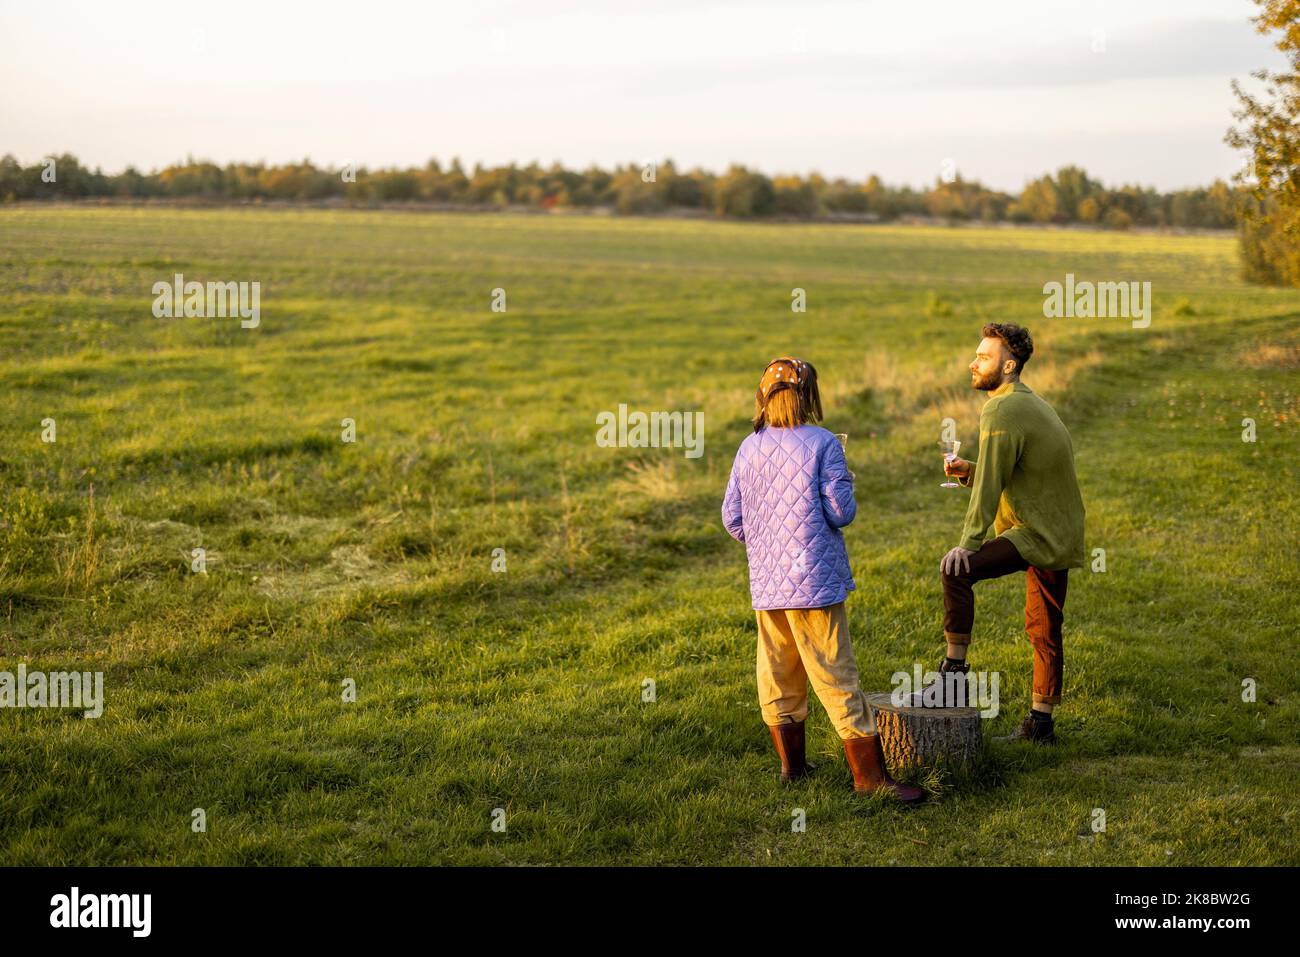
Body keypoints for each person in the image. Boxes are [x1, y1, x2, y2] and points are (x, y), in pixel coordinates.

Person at [723, 356, 924, 803]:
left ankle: (792, 769)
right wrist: (844, 481)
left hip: (768, 585)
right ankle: (870, 779)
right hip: (814, 581)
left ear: (764, 398)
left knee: (778, 673)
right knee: (836, 674)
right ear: (809, 396)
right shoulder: (824, 443)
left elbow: (732, 518)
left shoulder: (747, 447)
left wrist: (766, 546)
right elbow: (841, 512)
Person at [938, 324, 1086, 743]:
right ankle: (1041, 725)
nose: (973, 362)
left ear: (1008, 365)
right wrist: (971, 471)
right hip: (1061, 527)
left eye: (983, 357)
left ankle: (952, 678)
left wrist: (968, 543)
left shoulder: (1001, 410)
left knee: (956, 571)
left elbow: (991, 488)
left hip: (1036, 531)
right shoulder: (1025, 402)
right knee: (1045, 627)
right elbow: (1003, 472)